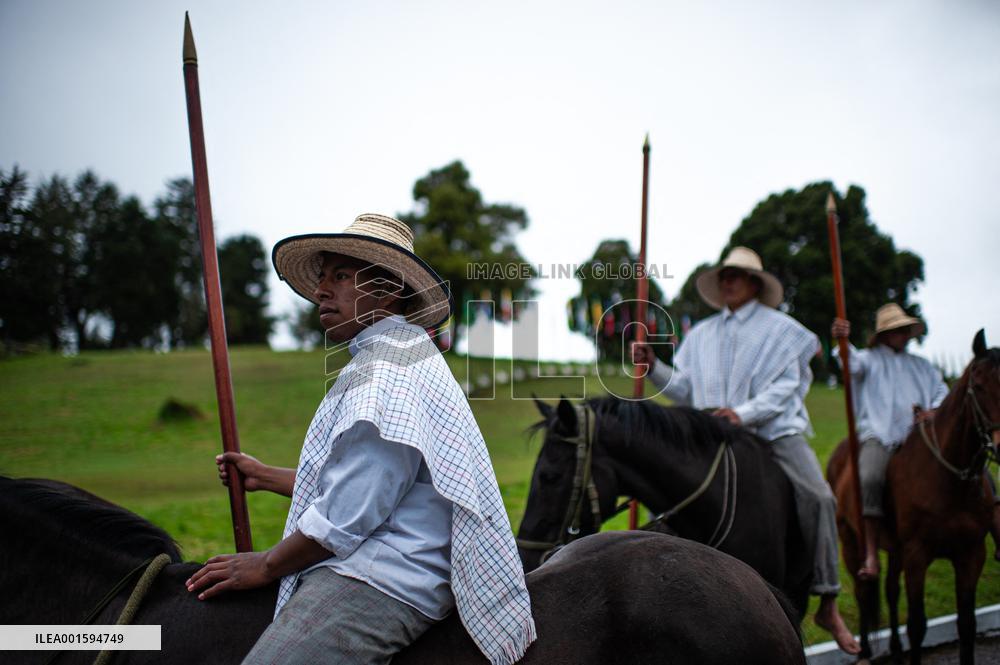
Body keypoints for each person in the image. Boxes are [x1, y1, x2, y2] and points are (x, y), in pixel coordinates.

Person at [186, 214, 536, 665]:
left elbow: (349, 512)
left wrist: (266, 564)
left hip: (384, 577)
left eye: (341, 276)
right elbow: (376, 483)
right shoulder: (399, 356)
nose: (320, 291)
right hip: (384, 562)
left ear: (388, 289)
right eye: (323, 277)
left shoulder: (385, 372)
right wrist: (265, 477)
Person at [632, 246, 860, 655]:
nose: (728, 281)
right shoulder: (700, 334)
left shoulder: (783, 329)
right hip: (711, 435)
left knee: (820, 497)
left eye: (736, 275)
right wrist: (654, 366)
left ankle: (827, 598)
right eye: (724, 275)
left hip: (774, 431)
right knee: (664, 500)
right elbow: (684, 389)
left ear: (755, 283)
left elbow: (789, 386)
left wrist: (743, 414)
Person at [832, 304, 1000, 574]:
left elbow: (940, 392)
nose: (903, 334)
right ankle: (872, 551)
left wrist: (934, 410)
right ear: (884, 334)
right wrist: (842, 340)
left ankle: (995, 525)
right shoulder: (868, 359)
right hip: (881, 436)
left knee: (975, 468)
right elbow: (848, 363)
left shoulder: (922, 365)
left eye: (905, 329)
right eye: (897, 330)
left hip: (922, 438)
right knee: (870, 477)